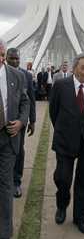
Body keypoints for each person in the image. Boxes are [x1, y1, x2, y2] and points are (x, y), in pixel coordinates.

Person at [49, 54, 84, 235]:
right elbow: (54, 112)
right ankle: (62, 205)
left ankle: (81, 218)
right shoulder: (60, 86)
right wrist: (64, 129)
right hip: (65, 140)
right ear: (74, 68)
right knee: (63, 178)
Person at [0, 38, 29, 239]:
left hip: (8, 138)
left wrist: (21, 121)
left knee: (5, 185)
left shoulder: (16, 75)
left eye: (1, 54)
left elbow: (25, 102)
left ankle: (5, 231)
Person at [6, 48, 36, 198]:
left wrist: (32, 121)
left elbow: (30, 99)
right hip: (4, 120)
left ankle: (16, 181)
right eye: (12, 58)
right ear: (6, 58)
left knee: (18, 150)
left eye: (17, 59)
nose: (15, 61)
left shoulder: (26, 76)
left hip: (20, 121)